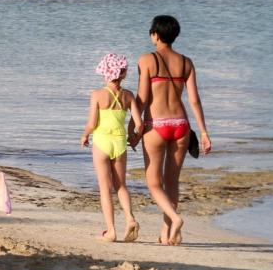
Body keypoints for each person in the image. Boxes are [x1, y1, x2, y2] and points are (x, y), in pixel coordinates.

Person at [136, 15, 211, 246]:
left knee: (153, 183)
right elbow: (195, 101)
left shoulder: (147, 60)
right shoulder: (186, 62)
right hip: (181, 125)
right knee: (172, 182)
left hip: (156, 126)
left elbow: (142, 98)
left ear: (155, 35)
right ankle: (166, 234)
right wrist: (204, 132)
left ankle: (176, 219)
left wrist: (133, 126)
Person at [80, 53, 142, 242]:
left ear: (105, 72)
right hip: (120, 143)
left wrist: (84, 135)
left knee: (105, 188)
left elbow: (92, 123)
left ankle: (111, 230)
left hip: (102, 142)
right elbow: (139, 124)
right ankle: (130, 218)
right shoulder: (128, 95)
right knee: (121, 185)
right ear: (123, 73)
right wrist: (134, 138)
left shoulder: (97, 95)